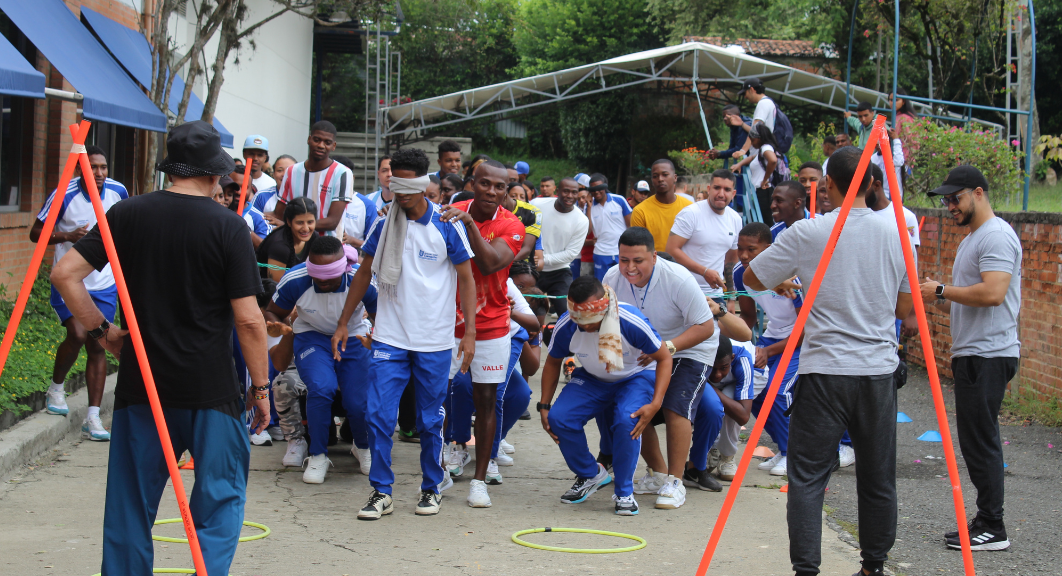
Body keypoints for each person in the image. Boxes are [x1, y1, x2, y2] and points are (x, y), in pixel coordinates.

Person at [50, 121, 267, 576]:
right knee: (220, 500)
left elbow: (64, 273)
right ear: (214, 175)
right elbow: (249, 320)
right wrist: (262, 388)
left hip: (142, 384)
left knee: (130, 506)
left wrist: (102, 332)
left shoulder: (128, 214)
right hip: (211, 387)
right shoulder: (228, 227)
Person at [741, 146, 913, 576]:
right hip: (876, 372)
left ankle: (807, 571)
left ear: (828, 185)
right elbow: (904, 310)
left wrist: (787, 280)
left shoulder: (808, 232)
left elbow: (750, 277)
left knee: (807, 478)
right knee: (877, 477)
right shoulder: (897, 233)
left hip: (823, 372)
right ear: (873, 184)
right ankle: (873, 567)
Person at [331, 147, 477, 520]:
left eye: (407, 185)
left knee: (430, 420)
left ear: (423, 185)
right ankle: (381, 491)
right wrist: (344, 321)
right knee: (377, 414)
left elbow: (466, 277)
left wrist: (469, 333)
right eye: (394, 183)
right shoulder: (383, 224)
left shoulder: (447, 224)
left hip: (434, 339)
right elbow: (364, 273)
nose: (400, 193)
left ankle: (431, 487)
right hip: (389, 337)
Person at [919, 165, 1022, 552]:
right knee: (974, 440)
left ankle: (994, 527)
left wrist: (942, 289)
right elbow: (974, 296)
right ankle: (985, 518)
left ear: (978, 193)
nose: (949, 206)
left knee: (981, 442)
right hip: (975, 353)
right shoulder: (975, 238)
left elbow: (993, 293)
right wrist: (941, 295)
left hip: (989, 353)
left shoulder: (995, 236)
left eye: (955, 198)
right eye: (946, 200)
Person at [601, 227, 718, 506]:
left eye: (638, 261)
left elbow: (706, 327)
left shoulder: (678, 279)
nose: (629, 268)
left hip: (688, 348)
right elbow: (608, 321)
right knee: (627, 408)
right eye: (623, 260)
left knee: (675, 404)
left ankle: (675, 482)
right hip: (644, 353)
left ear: (653, 256)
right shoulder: (610, 278)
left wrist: (667, 348)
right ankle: (658, 473)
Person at [539, 276, 673, 516]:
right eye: (580, 321)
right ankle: (591, 474)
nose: (586, 327)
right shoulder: (567, 324)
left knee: (626, 420)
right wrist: (544, 405)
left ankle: (624, 491)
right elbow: (552, 363)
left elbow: (664, 358)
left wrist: (655, 404)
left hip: (635, 377)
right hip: (593, 378)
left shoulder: (630, 320)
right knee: (559, 418)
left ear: (604, 308)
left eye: (592, 321)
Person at [436, 161, 525, 507]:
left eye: (499, 187)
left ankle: (478, 481)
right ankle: (438, 471)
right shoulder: (449, 212)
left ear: (507, 191)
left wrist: (471, 224)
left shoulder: (511, 225)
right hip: (443, 324)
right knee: (436, 398)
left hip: (489, 326)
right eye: (484, 184)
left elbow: (489, 263)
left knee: (487, 401)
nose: (491, 191)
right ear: (473, 183)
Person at [31, 145, 127, 441]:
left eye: (103, 167)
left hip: (105, 283)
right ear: (80, 170)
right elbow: (36, 233)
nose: (98, 173)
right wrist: (68, 236)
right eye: (92, 167)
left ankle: (93, 418)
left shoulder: (117, 191)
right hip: (71, 281)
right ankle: (56, 388)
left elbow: (128, 226)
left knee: (100, 345)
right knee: (76, 334)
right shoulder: (65, 193)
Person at [266, 237, 376, 483]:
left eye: (330, 276)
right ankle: (317, 455)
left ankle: (363, 446)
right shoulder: (295, 279)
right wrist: (277, 325)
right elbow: (273, 311)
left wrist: (377, 340)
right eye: (318, 276)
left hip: (354, 335)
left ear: (344, 268)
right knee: (321, 387)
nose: (324, 281)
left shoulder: (362, 278)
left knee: (358, 401)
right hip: (312, 336)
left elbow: (382, 315)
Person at [734, 222, 802, 476]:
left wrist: (769, 351)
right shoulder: (741, 273)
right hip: (771, 337)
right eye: (740, 249)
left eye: (751, 249)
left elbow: (806, 329)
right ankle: (784, 449)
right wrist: (741, 347)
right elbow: (748, 318)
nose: (744, 255)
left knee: (777, 391)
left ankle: (794, 454)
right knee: (751, 388)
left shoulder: (792, 276)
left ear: (769, 249)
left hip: (801, 341)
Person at [690, 337, 766, 482]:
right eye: (713, 368)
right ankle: (713, 447)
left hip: (752, 374)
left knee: (731, 406)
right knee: (711, 407)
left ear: (731, 359)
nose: (717, 374)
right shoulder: (698, 356)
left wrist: (710, 388)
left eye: (723, 368)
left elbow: (743, 415)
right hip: (719, 380)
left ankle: (727, 457)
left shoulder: (742, 359)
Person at [667, 169, 742, 301]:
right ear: (708, 189)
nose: (721, 194)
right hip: (684, 291)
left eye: (727, 189)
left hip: (716, 295)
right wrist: (704, 272)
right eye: (717, 188)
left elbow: (731, 260)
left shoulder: (735, 219)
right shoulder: (691, 213)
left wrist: (731, 297)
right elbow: (671, 250)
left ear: (733, 193)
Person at [274, 121, 352, 237]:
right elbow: (279, 213)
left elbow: (332, 222)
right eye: (316, 140)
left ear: (333, 146)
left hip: (326, 248)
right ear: (309, 139)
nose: (321, 145)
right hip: (294, 245)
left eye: (327, 142)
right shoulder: (292, 171)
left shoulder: (342, 173)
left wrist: (296, 225)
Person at [533, 177, 589, 314]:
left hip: (559, 272)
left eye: (574, 192)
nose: (570, 196)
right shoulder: (537, 205)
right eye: (566, 191)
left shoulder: (581, 220)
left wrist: (542, 259)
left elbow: (571, 254)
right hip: (532, 269)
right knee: (526, 309)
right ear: (557, 191)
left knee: (568, 312)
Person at [631, 160, 693, 252]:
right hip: (654, 264)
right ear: (652, 180)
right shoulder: (640, 211)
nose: (660, 179)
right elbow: (637, 247)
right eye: (655, 176)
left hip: (682, 264)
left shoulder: (689, 208)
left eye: (665, 174)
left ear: (675, 178)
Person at [257, 197, 319, 283]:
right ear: (289, 222)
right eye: (300, 222)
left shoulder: (314, 237)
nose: (306, 228)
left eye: (310, 222)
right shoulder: (279, 247)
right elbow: (276, 288)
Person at [730, 124, 780, 225]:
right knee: (761, 221)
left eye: (753, 140)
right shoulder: (764, 149)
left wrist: (765, 179)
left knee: (766, 222)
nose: (752, 144)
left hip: (765, 191)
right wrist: (739, 164)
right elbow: (753, 157)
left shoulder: (766, 148)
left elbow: (773, 160)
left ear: (759, 138)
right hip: (762, 191)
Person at [585, 174, 632, 280]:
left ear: (605, 187)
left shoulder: (619, 200)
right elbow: (587, 231)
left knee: (625, 283)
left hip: (621, 252)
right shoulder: (589, 206)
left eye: (599, 188)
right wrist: (588, 207)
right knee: (603, 286)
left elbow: (631, 225)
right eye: (593, 189)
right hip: (601, 252)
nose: (596, 192)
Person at [734, 77, 777, 158]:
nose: (745, 97)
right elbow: (757, 129)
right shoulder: (768, 102)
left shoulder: (763, 104)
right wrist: (742, 124)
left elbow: (755, 130)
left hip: (759, 154)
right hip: (761, 153)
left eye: (745, 93)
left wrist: (743, 151)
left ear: (752, 90)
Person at [253, 154, 296, 228]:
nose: (284, 174)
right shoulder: (261, 196)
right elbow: (251, 222)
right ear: (273, 174)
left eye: (289, 170)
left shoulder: (306, 195)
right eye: (280, 170)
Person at [889, 88, 918, 160]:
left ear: (903, 101)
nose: (893, 103)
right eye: (891, 100)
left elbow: (912, 141)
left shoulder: (906, 118)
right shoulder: (897, 116)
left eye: (896, 100)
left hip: (904, 158)